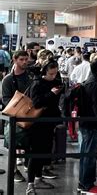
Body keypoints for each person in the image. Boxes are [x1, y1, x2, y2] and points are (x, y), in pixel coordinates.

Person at [26, 60, 62, 194]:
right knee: (35, 153)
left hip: (49, 123)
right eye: (51, 74)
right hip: (37, 124)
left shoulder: (55, 81)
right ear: (44, 72)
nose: (53, 76)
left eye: (55, 73)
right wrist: (51, 93)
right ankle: (30, 183)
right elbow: (36, 103)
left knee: (44, 152)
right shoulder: (37, 83)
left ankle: (38, 178)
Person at [2, 51, 34, 183]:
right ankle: (14, 170)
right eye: (22, 59)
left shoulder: (30, 77)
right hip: (14, 118)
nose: (25, 62)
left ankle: (30, 167)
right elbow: (5, 100)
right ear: (15, 60)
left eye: (26, 59)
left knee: (30, 145)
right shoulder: (8, 79)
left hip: (29, 116)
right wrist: (22, 103)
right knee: (13, 146)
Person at [77, 58, 97, 194]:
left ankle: (84, 182)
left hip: (86, 123)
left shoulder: (89, 82)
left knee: (86, 154)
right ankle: (87, 185)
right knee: (90, 155)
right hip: (92, 124)